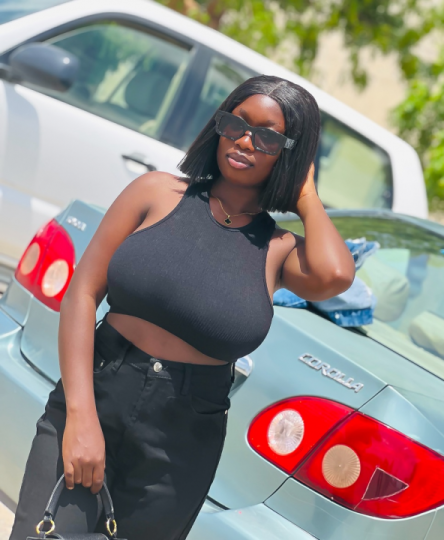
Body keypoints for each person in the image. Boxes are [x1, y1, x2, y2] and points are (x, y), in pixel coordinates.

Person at [8, 74, 356, 540]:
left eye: (268, 138)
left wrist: (306, 194)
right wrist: (81, 417)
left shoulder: (278, 249)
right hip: (98, 392)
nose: (245, 141)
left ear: (290, 154)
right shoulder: (156, 193)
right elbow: (81, 295)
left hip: (183, 441)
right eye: (236, 124)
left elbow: (336, 275)